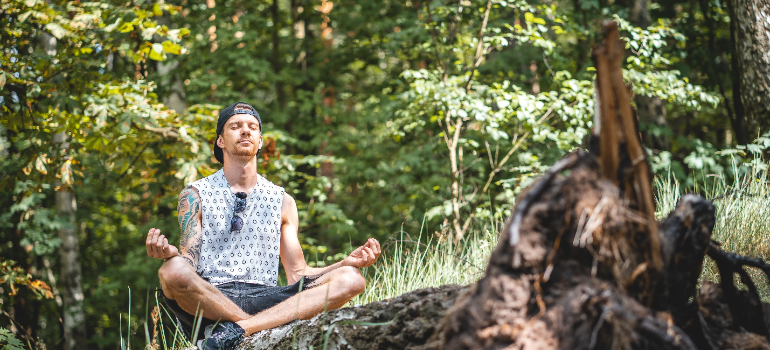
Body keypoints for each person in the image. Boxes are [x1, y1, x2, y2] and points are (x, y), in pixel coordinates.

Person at [145, 102, 381, 350]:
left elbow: (298, 274)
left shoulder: (283, 201)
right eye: (235, 126)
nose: (245, 131)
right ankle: (253, 326)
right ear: (220, 141)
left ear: (260, 141)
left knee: (352, 279)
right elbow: (189, 264)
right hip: (211, 298)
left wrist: (344, 263)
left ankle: (238, 330)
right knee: (171, 271)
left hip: (265, 297)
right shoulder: (195, 194)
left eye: (252, 127)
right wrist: (171, 255)